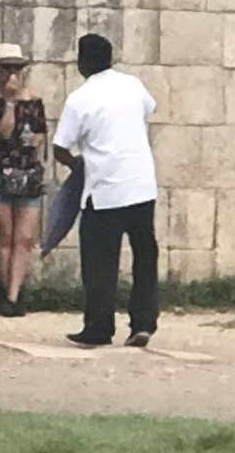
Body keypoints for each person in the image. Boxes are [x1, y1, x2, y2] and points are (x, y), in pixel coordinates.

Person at [51, 30, 161, 348]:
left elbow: (60, 147)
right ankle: (143, 322)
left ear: (82, 63)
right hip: (141, 185)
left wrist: (75, 165)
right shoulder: (133, 85)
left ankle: (99, 327)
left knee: (100, 263)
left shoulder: (80, 99)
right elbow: (147, 109)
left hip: (104, 190)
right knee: (144, 256)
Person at [0, 42, 48, 316]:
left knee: (25, 236)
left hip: (26, 169)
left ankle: (15, 293)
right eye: (6, 68)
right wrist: (10, 101)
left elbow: (39, 135)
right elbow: (2, 133)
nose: (12, 73)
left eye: (16, 68)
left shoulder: (35, 100)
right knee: (5, 235)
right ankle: (8, 293)